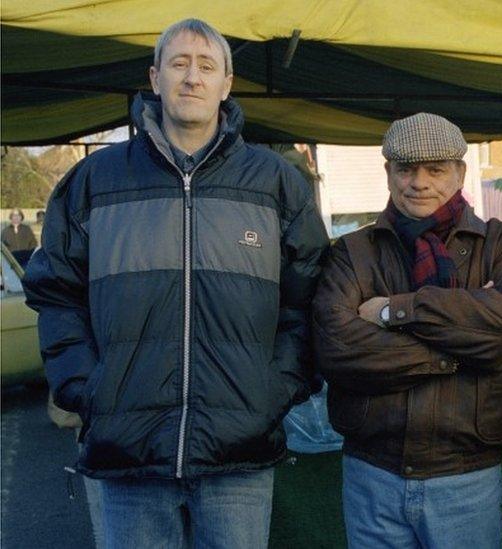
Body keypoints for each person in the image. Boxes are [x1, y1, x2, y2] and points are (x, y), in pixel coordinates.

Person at [23, 18, 328, 548]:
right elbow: (56, 292)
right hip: (128, 450)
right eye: (179, 64)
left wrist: (274, 391)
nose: (192, 77)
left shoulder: (275, 183)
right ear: (155, 77)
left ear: (226, 85)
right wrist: (86, 388)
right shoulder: (96, 180)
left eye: (207, 66)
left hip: (239, 450)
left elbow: (307, 299)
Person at [312, 112, 502, 549]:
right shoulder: (351, 253)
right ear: (388, 172)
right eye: (406, 168)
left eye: (435, 169)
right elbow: (337, 349)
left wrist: (392, 312)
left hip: (467, 476)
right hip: (372, 474)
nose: (419, 182)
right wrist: (461, 347)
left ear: (460, 172)